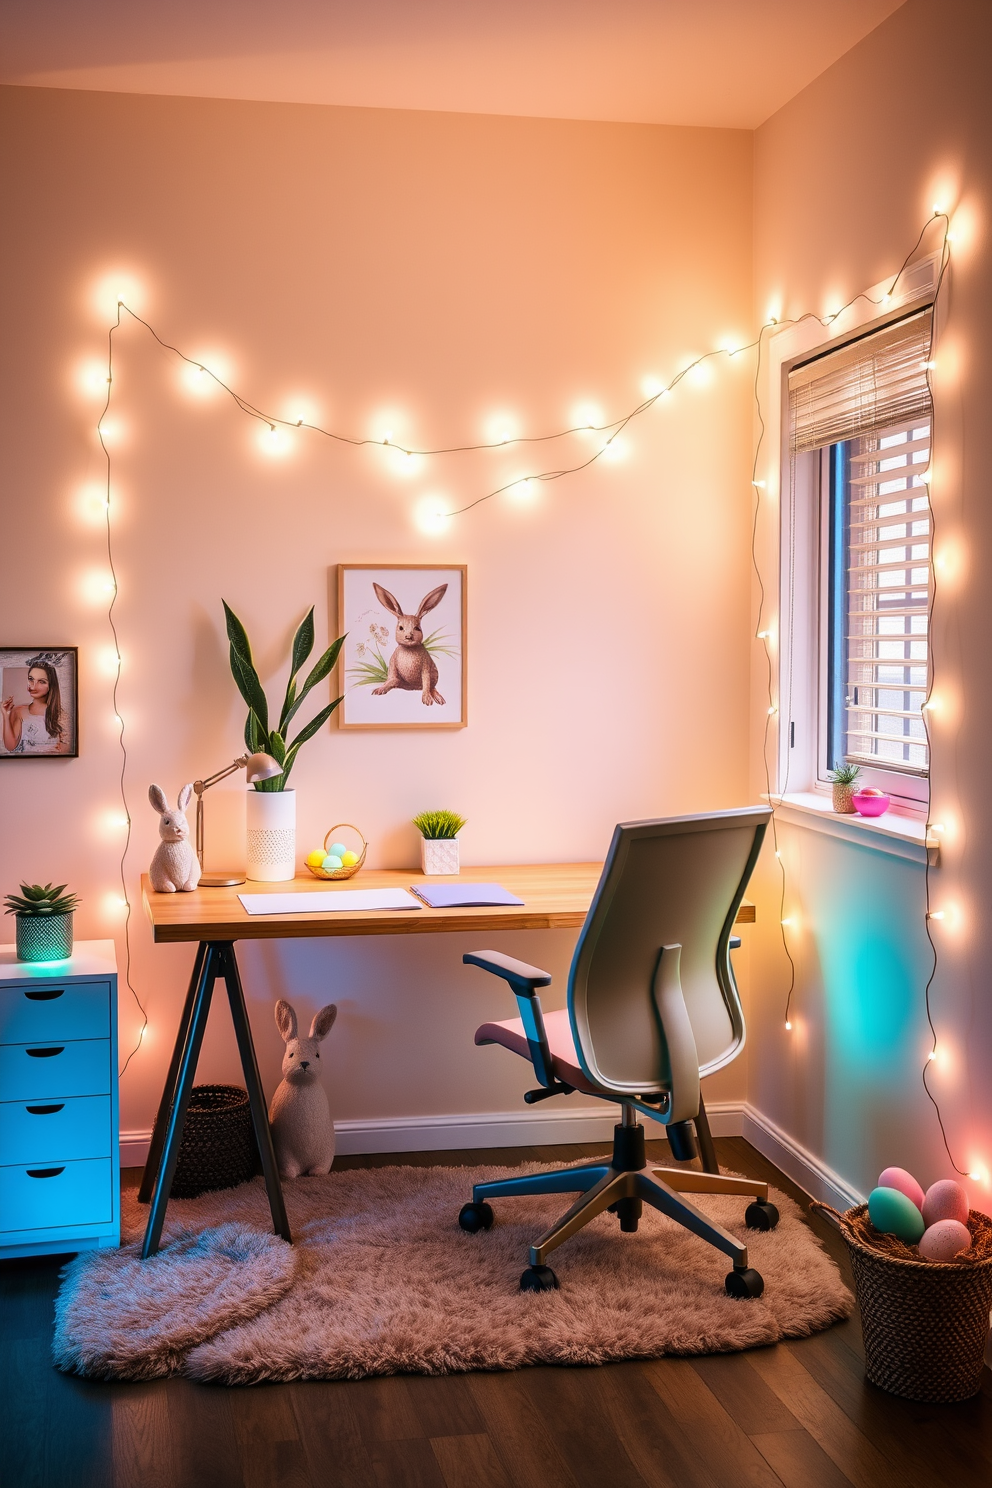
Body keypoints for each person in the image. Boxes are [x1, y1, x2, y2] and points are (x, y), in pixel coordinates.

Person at [1, 659, 69, 754]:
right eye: (31, 679)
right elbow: (10, 747)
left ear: (51, 685)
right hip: (22, 766)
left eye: (41, 681)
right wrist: (5, 715)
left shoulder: (61, 715)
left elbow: (67, 751)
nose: (33, 686)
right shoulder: (19, 711)